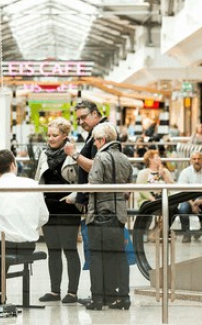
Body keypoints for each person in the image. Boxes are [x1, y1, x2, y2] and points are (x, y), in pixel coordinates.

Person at [0, 149, 49, 304]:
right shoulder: (32, 184)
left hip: (3, 243)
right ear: (14, 164)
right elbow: (44, 217)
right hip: (29, 244)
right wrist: (28, 228)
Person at [85, 122, 133, 311]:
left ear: (102, 140)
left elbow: (94, 184)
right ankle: (123, 297)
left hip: (99, 214)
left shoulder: (101, 157)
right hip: (119, 214)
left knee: (97, 257)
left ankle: (98, 299)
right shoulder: (124, 158)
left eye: (95, 141)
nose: (95, 145)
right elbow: (128, 188)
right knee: (119, 257)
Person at [34, 118, 80, 304]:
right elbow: (38, 179)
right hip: (49, 206)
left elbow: (81, 180)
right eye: (49, 135)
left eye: (55, 135)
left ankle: (72, 292)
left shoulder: (73, 154)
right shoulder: (44, 154)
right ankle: (54, 291)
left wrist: (75, 197)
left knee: (70, 249)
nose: (50, 139)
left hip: (68, 206)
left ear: (64, 136)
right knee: (53, 249)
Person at [63, 101, 108, 277]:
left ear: (95, 114)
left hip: (99, 203)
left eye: (84, 116)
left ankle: (100, 294)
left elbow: (97, 167)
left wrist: (74, 154)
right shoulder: (93, 134)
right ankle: (99, 293)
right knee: (94, 250)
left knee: (97, 250)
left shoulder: (101, 134)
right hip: (93, 200)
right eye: (78, 118)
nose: (81, 121)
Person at [135, 149, 176, 241]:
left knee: (173, 207)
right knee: (148, 207)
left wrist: (164, 176)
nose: (159, 159)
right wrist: (152, 198)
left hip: (164, 197)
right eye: (157, 157)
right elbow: (141, 189)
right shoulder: (143, 173)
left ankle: (165, 230)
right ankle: (144, 232)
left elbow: (172, 186)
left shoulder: (165, 171)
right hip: (148, 198)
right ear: (150, 159)